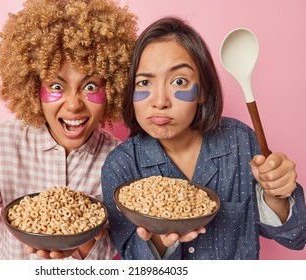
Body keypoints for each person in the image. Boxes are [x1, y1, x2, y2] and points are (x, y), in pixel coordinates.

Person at [0, 0, 137, 260]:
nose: (74, 104)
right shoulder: (4, 140)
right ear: (34, 88)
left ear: (112, 88)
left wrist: (80, 239)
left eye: (90, 87)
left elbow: (113, 248)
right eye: (56, 86)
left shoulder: (120, 159)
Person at [101, 16, 306, 260]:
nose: (159, 102)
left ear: (203, 91)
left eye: (179, 81)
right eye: (144, 82)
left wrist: (276, 195)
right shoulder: (121, 165)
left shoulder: (240, 142)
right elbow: (132, 260)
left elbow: (297, 236)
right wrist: (159, 236)